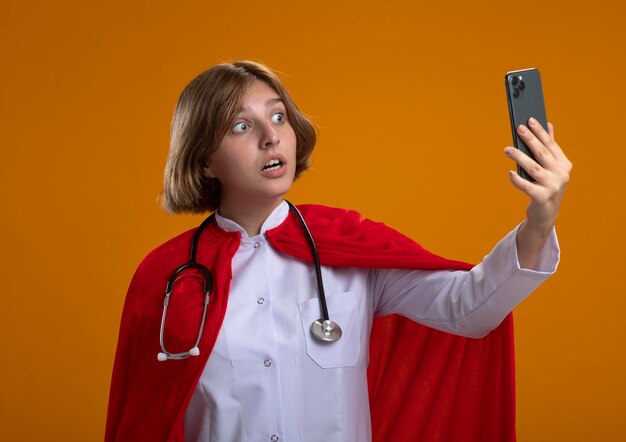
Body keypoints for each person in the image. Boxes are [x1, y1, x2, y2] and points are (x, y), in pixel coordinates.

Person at [105, 61, 571, 442]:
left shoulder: (348, 244)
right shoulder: (166, 278)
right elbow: (142, 418)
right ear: (204, 158)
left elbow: (469, 308)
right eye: (242, 126)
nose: (271, 137)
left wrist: (540, 219)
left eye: (279, 116)